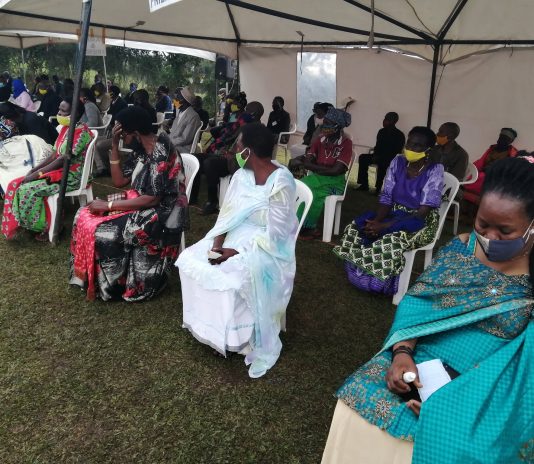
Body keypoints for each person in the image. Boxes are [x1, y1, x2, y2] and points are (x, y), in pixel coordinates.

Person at [323, 156, 534, 464]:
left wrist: (453, 406)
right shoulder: (462, 248)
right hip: (422, 362)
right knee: (358, 397)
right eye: (483, 224)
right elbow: (420, 303)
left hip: (489, 389)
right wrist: (401, 354)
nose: (490, 237)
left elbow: (526, 367)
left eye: (505, 230)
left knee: (458, 445)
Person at [177, 122, 298, 378]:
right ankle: (210, 330)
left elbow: (277, 235)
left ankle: (237, 338)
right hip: (235, 234)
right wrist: (217, 245)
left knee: (229, 274)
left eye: (238, 146)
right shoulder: (242, 176)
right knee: (191, 259)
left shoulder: (282, 182)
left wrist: (236, 252)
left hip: (266, 247)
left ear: (249, 152)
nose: (234, 151)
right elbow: (227, 215)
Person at [69, 106, 188, 301]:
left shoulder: (161, 151)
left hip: (162, 212)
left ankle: (113, 287)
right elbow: (119, 181)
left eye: (122, 134)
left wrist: (108, 206)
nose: (122, 138)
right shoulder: (141, 149)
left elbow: (153, 198)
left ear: (135, 132)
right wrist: (114, 145)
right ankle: (88, 278)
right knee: (83, 214)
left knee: (104, 230)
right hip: (139, 200)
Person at [334, 126, 443, 294]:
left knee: (390, 239)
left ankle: (380, 282)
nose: (410, 148)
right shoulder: (398, 161)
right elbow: (386, 197)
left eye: (417, 146)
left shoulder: (435, 170)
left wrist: (384, 226)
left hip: (420, 221)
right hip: (393, 212)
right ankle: (359, 272)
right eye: (409, 143)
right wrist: (377, 222)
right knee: (357, 227)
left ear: (428, 149)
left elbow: (422, 212)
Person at [1, 97, 93, 240]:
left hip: (72, 177)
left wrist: (38, 174)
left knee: (27, 189)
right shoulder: (67, 129)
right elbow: (54, 154)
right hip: (61, 172)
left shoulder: (81, 133)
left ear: (75, 113)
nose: (59, 113)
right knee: (17, 183)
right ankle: (29, 223)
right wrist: (34, 170)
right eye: (59, 109)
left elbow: (63, 159)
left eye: (63, 111)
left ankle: (50, 226)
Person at [289, 107, 352, 239]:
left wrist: (313, 166)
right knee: (301, 187)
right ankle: (296, 223)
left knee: (311, 192)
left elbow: (336, 171)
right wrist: (318, 167)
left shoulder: (346, 143)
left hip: (335, 184)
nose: (324, 125)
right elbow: (309, 161)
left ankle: (307, 227)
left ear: (338, 126)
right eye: (325, 122)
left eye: (328, 123)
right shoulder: (320, 140)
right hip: (318, 178)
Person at [190, 101, 264, 214]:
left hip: (235, 162)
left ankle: (212, 202)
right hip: (226, 154)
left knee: (210, 163)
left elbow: (246, 155)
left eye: (247, 110)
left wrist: (230, 154)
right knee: (195, 158)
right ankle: (192, 198)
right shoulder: (244, 125)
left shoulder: (257, 130)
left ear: (253, 114)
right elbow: (229, 138)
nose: (244, 112)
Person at [464, 128, 518, 202]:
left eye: (505, 139)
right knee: (474, 177)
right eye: (501, 137)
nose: (501, 140)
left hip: (495, 178)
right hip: (482, 173)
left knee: (482, 179)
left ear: (510, 141)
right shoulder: (492, 149)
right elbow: (481, 162)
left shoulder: (512, 154)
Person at [357, 112, 406, 193]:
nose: (383, 121)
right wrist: (375, 155)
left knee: (383, 162)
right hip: (378, 156)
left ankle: (378, 188)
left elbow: (398, 151)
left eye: (386, 119)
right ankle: (364, 184)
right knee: (363, 157)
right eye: (384, 118)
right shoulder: (381, 132)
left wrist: (382, 156)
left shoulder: (399, 135)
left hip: (390, 158)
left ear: (392, 121)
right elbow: (378, 146)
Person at [93, 85, 128, 177]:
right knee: (93, 141)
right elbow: (110, 114)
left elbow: (119, 119)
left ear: (114, 93)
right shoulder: (113, 102)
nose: (108, 93)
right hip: (112, 131)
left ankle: (104, 168)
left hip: (119, 134)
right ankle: (102, 167)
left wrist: (111, 126)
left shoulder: (122, 103)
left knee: (99, 145)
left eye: (110, 91)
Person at [169, 86, 201, 153]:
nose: (175, 100)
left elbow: (185, 139)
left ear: (183, 100)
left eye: (177, 97)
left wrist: (169, 142)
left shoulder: (193, 116)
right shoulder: (181, 112)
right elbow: (174, 132)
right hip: (175, 144)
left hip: (184, 148)